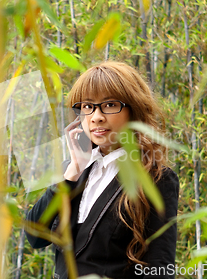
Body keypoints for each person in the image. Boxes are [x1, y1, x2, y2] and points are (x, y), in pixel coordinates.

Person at [25, 61, 180, 279]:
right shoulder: (72, 171)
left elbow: (159, 268)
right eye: (87, 106)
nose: (96, 116)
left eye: (109, 105)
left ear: (133, 110)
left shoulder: (155, 178)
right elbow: (35, 237)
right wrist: (72, 174)